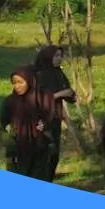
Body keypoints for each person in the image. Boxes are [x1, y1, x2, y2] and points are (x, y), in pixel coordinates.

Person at [0, 66, 50, 179]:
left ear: (29, 81)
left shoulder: (40, 100)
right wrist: (10, 142)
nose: (17, 86)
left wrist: (44, 125)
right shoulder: (10, 102)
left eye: (20, 82)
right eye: (14, 83)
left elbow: (50, 119)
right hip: (17, 154)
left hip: (39, 151)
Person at [31, 45, 75, 182]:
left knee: (54, 154)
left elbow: (68, 91)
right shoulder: (38, 75)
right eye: (56, 56)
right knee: (43, 152)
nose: (59, 58)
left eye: (60, 55)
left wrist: (71, 95)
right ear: (48, 57)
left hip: (55, 117)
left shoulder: (58, 73)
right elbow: (36, 98)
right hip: (39, 118)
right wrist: (60, 94)